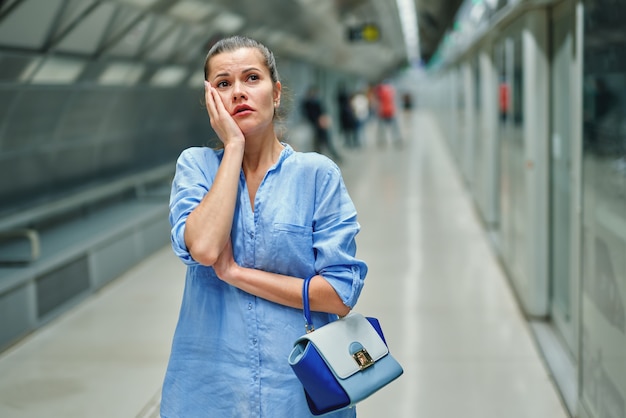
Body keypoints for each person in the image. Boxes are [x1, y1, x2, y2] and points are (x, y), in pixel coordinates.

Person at [161, 36, 368, 418]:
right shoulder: (196, 167)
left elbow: (339, 294)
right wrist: (234, 148)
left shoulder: (317, 175)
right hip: (210, 389)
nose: (238, 91)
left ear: (275, 94)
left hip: (298, 391)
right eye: (223, 84)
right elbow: (204, 248)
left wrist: (236, 274)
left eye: (251, 78)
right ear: (211, 100)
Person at [301, 85, 343, 162]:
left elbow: (323, 112)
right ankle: (319, 159)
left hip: (321, 125)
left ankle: (333, 157)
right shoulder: (307, 103)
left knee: (326, 142)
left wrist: (323, 120)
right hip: (314, 125)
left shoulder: (317, 102)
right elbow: (307, 114)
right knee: (318, 144)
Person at [374, 80, 403, 148]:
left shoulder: (380, 89)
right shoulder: (391, 89)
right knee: (394, 128)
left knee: (381, 129)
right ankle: (397, 140)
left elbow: (377, 99)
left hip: (382, 112)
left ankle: (381, 141)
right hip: (391, 111)